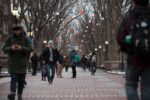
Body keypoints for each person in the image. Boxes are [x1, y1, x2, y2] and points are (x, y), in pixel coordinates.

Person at [117, 0, 150, 100]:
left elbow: (120, 37)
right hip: (149, 60)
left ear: (134, 2)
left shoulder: (129, 17)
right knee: (147, 88)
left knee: (130, 85)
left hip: (133, 59)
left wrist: (128, 48)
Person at [2, 24, 33, 100]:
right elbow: (4, 48)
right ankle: (12, 93)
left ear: (20, 30)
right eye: (15, 30)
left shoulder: (25, 39)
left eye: (18, 30)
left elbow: (31, 48)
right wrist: (11, 48)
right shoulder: (10, 38)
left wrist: (21, 48)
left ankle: (19, 94)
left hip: (22, 63)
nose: (16, 31)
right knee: (13, 78)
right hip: (12, 63)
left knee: (21, 81)